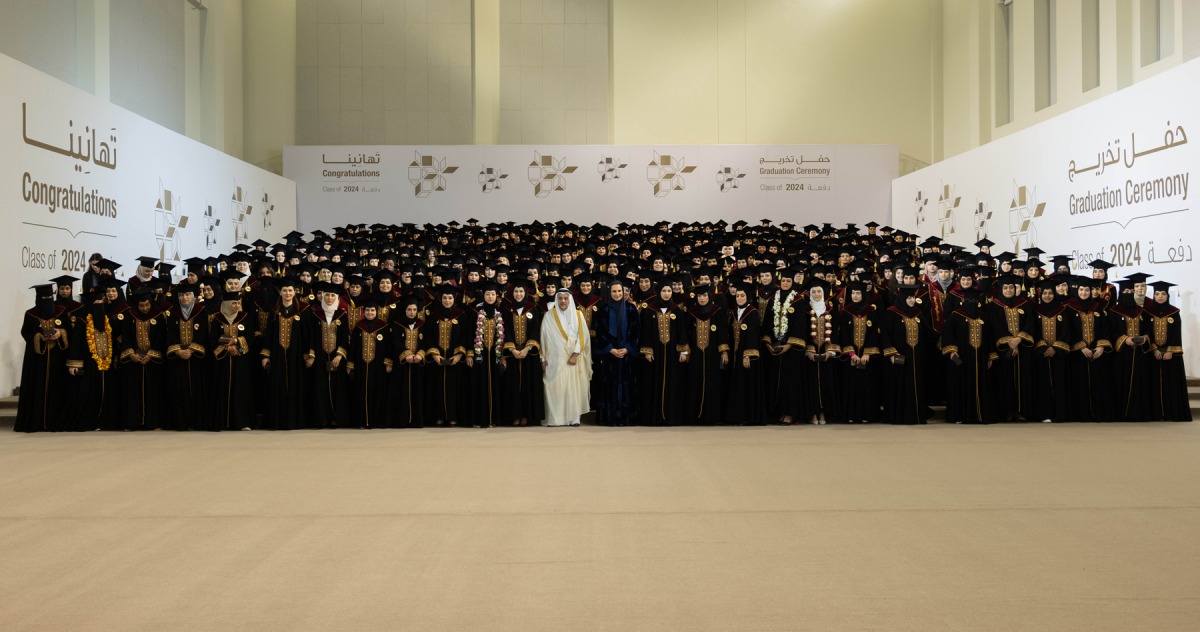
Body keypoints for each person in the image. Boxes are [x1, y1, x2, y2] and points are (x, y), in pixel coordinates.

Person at [15, 284, 70, 432]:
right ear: (38, 298)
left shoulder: (61, 312)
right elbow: (26, 333)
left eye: (49, 298)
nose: (47, 300)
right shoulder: (31, 314)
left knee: (58, 388)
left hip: (58, 358)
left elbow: (70, 331)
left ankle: (55, 421)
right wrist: (39, 337)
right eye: (44, 298)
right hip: (37, 361)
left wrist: (60, 333)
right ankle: (36, 421)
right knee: (37, 387)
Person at [941, 287, 995, 424]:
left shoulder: (984, 316)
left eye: (974, 300)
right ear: (963, 301)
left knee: (981, 384)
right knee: (961, 385)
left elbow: (990, 337)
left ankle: (980, 415)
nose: (971, 302)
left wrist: (991, 356)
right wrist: (952, 351)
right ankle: (960, 415)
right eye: (969, 300)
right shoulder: (956, 315)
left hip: (981, 358)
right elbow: (947, 335)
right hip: (962, 358)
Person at [637, 278, 687, 425]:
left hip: (672, 353)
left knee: (672, 383)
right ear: (658, 292)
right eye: (664, 291)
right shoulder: (649, 310)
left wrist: (683, 351)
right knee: (654, 383)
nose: (666, 294)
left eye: (669, 291)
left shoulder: (676, 310)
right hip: (654, 354)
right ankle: (655, 416)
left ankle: (670, 417)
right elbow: (644, 331)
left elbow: (682, 331)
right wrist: (647, 350)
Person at [260, 277, 306, 430]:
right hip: (277, 356)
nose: (287, 293)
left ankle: (295, 421)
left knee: (295, 387)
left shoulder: (302, 312)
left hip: (297, 356)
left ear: (295, 292)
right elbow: (268, 336)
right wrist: (266, 356)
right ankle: (278, 421)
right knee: (277, 387)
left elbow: (308, 335)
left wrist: (309, 355)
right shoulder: (274, 313)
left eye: (290, 290)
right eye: (284, 290)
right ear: (280, 292)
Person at [541, 288, 592, 426]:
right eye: (560, 298)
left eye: (565, 298)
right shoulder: (548, 316)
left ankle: (573, 419)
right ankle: (555, 419)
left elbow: (583, 337)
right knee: (554, 388)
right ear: (556, 300)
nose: (563, 301)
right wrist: (543, 358)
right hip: (554, 359)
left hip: (573, 358)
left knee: (573, 389)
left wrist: (575, 355)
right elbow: (543, 338)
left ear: (570, 299)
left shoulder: (578, 315)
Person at [592, 280, 639, 426]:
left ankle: (626, 418)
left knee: (627, 387)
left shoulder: (632, 309)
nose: (617, 294)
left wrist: (627, 349)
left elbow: (636, 333)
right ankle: (609, 418)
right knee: (609, 386)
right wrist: (610, 349)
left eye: (620, 291)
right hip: (610, 357)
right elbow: (599, 333)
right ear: (609, 293)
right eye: (614, 291)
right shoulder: (603, 309)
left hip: (627, 358)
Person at [1065, 278, 1113, 422]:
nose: (1084, 292)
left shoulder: (1097, 307)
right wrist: (1081, 347)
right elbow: (1068, 331)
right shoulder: (1070, 308)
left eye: (1087, 290)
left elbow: (1105, 328)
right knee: (1079, 384)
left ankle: (1096, 413)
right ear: (1076, 291)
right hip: (1077, 354)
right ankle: (1082, 414)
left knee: (1097, 383)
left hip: (1096, 353)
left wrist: (1101, 346)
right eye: (1081, 290)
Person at [303, 282, 350, 428]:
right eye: (327, 295)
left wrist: (340, 355)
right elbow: (310, 336)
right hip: (319, 357)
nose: (329, 298)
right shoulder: (315, 314)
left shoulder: (341, 314)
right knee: (320, 388)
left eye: (332, 295)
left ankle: (336, 418)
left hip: (336, 358)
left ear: (337, 298)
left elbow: (345, 337)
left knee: (338, 389)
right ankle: (321, 418)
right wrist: (311, 355)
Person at [207, 291, 256, 430]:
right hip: (222, 361)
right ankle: (222, 422)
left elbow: (250, 337)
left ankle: (242, 422)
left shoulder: (245, 317)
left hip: (241, 360)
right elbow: (212, 340)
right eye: (233, 303)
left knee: (241, 388)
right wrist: (227, 348)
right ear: (227, 304)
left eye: (238, 303)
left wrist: (237, 342)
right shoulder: (217, 319)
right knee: (222, 389)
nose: (236, 306)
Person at [881, 285, 930, 424]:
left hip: (915, 359)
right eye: (908, 298)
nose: (911, 300)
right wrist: (891, 353)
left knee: (915, 384)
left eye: (913, 297)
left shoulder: (917, 313)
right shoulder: (891, 313)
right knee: (899, 385)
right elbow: (885, 334)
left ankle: (915, 416)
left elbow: (928, 332)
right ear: (902, 298)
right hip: (898, 357)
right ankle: (899, 416)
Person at [761, 270, 805, 424]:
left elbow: (800, 324)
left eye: (789, 280)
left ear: (793, 282)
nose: (786, 283)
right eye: (784, 280)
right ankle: (778, 411)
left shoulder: (798, 300)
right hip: (774, 347)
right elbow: (767, 322)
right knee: (774, 381)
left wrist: (789, 344)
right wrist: (767, 342)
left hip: (790, 350)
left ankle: (789, 413)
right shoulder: (774, 299)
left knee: (789, 383)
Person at [837, 281, 883, 423]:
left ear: (863, 294)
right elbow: (843, 334)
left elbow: (874, 334)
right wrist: (852, 354)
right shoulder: (845, 312)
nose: (855, 296)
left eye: (858, 293)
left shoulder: (871, 311)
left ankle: (866, 415)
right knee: (851, 386)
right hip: (851, 358)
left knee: (867, 386)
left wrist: (867, 353)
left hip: (866, 358)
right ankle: (851, 415)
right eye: (853, 293)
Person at [682, 284, 729, 424]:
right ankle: (694, 416)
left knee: (712, 384)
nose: (702, 298)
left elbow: (722, 333)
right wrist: (686, 350)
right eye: (700, 296)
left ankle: (711, 417)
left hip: (713, 354)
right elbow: (686, 332)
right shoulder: (691, 312)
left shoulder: (718, 311)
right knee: (694, 383)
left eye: (705, 296)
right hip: (695, 355)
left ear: (709, 296)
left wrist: (724, 352)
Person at [1144, 281, 1190, 421]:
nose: (1160, 297)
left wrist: (1171, 351)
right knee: (1154, 385)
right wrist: (1154, 349)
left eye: (1163, 294)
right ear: (1154, 295)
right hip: (1154, 355)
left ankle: (1171, 413)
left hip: (1171, 356)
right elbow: (1146, 333)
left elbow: (1176, 334)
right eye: (1157, 294)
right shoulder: (1147, 313)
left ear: (1167, 295)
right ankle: (1156, 413)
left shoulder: (1174, 312)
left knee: (1171, 385)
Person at [1108, 274, 1152, 421]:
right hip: (1120, 354)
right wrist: (1124, 339)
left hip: (1139, 354)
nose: (1128, 295)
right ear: (1120, 293)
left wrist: (1143, 339)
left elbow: (1147, 331)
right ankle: (1121, 413)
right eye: (1125, 292)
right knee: (1121, 382)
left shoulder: (1141, 312)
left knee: (1140, 383)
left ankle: (1139, 413)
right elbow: (1110, 332)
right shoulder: (1113, 312)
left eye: (1130, 292)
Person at [424, 284, 469, 427]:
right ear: (440, 298)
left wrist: (459, 355)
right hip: (437, 360)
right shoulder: (433, 315)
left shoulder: (461, 315)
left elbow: (465, 337)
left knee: (454, 389)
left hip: (455, 360)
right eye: (444, 298)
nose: (447, 300)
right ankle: (439, 416)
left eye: (450, 298)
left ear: (454, 298)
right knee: (436, 388)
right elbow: (429, 336)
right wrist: (435, 355)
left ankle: (452, 416)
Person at [164, 283, 208, 431]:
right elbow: (169, 334)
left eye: (188, 294)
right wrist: (178, 351)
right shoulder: (173, 312)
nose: (185, 297)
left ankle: (197, 422)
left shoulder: (201, 311)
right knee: (178, 391)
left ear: (193, 296)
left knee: (197, 390)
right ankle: (180, 423)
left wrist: (192, 349)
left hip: (196, 359)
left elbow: (203, 334)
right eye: (182, 295)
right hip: (178, 359)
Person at [502, 280, 544, 426]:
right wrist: (512, 349)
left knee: (528, 385)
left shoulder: (533, 308)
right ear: (512, 294)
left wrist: (527, 348)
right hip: (512, 354)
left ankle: (526, 415)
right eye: (516, 292)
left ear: (525, 293)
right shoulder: (507, 309)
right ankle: (514, 415)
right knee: (512, 386)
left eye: (521, 291)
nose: (518, 294)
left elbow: (536, 330)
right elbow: (505, 330)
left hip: (529, 354)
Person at [346, 296, 392, 428]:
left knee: (377, 392)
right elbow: (353, 347)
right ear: (363, 311)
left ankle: (375, 421)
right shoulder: (358, 327)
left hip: (378, 366)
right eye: (367, 310)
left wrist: (388, 363)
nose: (370, 313)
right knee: (360, 392)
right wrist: (350, 364)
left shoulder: (383, 327)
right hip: (360, 366)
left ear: (376, 312)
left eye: (372, 310)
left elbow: (389, 347)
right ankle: (362, 421)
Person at [465, 282, 506, 427]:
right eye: (488, 294)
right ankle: (479, 419)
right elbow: (469, 333)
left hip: (495, 355)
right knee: (479, 385)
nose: (490, 297)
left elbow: (504, 336)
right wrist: (470, 354)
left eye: (493, 294)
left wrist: (502, 356)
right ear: (483, 295)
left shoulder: (500, 312)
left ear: (496, 296)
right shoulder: (475, 312)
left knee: (496, 385)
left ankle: (494, 418)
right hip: (479, 356)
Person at [1029, 279, 1070, 422]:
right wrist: (1043, 348)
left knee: (1060, 383)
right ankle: (1044, 414)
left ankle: (1059, 414)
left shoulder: (1063, 310)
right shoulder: (1035, 310)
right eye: (1045, 293)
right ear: (1041, 295)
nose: (1048, 296)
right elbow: (1033, 331)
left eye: (1050, 293)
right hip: (1041, 354)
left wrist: (1055, 348)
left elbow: (1066, 331)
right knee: (1042, 384)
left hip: (1059, 354)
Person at [725, 283, 765, 425]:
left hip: (747, 355)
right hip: (735, 353)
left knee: (747, 384)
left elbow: (753, 335)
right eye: (737, 296)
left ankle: (748, 416)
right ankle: (738, 416)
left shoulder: (752, 312)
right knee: (737, 384)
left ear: (748, 297)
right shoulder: (734, 311)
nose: (740, 298)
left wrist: (747, 355)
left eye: (742, 296)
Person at [388, 295, 427, 428]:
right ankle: (402, 420)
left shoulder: (422, 324)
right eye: (409, 309)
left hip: (418, 364)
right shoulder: (397, 324)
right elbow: (395, 342)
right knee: (401, 392)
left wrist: (420, 355)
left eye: (414, 309)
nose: (412, 312)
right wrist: (407, 354)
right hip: (402, 365)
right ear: (404, 310)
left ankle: (417, 420)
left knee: (418, 391)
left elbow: (425, 342)